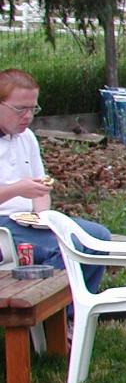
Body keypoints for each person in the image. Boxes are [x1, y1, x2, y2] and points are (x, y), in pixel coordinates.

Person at [0, 68, 112, 291]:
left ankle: (78, 308)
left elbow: (41, 188)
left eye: (33, 109)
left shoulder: (27, 137)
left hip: (25, 220)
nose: (28, 117)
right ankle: (47, 317)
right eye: (20, 109)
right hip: (3, 226)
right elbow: (23, 188)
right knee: (66, 247)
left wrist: (42, 217)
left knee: (99, 236)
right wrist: (17, 189)